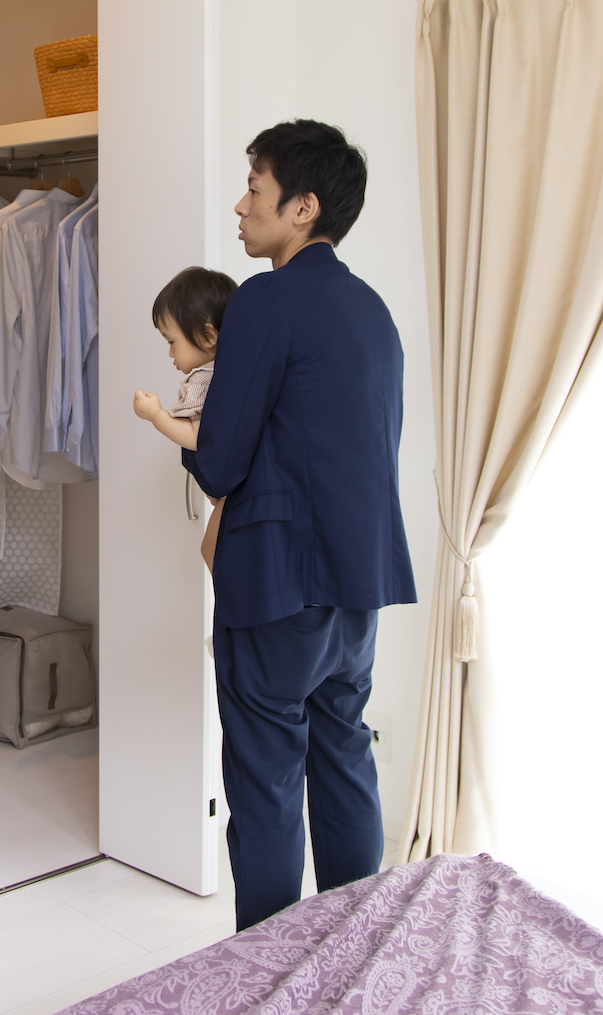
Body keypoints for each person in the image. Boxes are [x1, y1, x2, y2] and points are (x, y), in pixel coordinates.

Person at [182, 119, 417, 932]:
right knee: (344, 756)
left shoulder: (265, 300)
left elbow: (220, 462)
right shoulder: (372, 310)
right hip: (360, 584)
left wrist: (186, 430)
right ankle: (353, 945)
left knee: (267, 781)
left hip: (277, 584)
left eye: (255, 188)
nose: (241, 205)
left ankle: (269, 966)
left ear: (302, 207)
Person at [131, 266, 240, 568]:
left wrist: (156, 415)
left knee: (212, 552)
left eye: (171, 342)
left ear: (208, 335)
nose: (170, 354)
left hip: (235, 492)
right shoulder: (233, 371)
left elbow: (196, 437)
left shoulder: (204, 379)